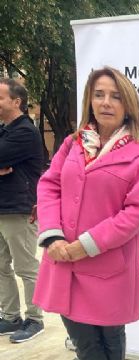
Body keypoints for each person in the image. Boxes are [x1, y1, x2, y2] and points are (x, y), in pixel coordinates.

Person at [33, 66, 139, 360]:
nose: (106, 102)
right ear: (90, 98)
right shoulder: (72, 144)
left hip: (105, 264)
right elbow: (49, 184)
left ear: (128, 105)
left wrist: (83, 245)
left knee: (108, 336)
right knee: (83, 340)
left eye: (115, 96)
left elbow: (133, 215)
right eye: (99, 94)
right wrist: (52, 235)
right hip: (63, 260)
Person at [0, 78, 45, 342]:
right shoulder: (5, 130)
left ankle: (35, 318)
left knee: (26, 267)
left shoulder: (25, 132)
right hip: (2, 207)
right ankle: (10, 316)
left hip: (19, 209)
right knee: (1, 266)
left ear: (16, 102)